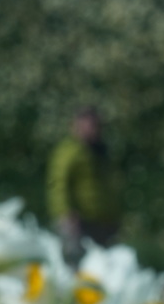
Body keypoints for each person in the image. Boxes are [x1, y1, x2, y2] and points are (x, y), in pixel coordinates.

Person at [47, 107, 122, 262]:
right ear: (76, 125)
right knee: (77, 264)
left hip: (104, 221)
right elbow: (58, 185)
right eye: (89, 125)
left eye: (96, 125)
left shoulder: (100, 151)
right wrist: (65, 213)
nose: (94, 130)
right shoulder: (68, 152)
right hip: (78, 222)